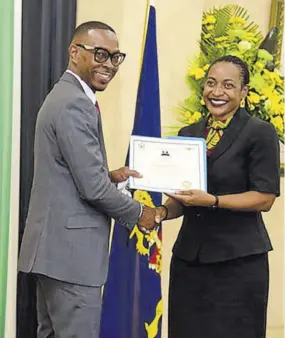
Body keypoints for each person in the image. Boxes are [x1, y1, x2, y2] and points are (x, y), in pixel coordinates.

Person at [18, 21, 156, 338]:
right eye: (100, 54)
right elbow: (92, 188)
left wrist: (108, 175)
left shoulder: (68, 96)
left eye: (115, 57)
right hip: (71, 257)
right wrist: (141, 214)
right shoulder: (74, 103)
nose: (108, 65)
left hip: (56, 254)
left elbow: (70, 173)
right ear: (74, 52)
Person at [155, 55, 280, 338]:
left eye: (228, 85)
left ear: (243, 92)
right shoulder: (189, 134)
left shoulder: (259, 133)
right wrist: (162, 212)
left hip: (238, 263)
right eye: (211, 83)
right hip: (190, 260)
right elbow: (182, 196)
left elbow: (265, 197)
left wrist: (213, 201)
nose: (217, 92)